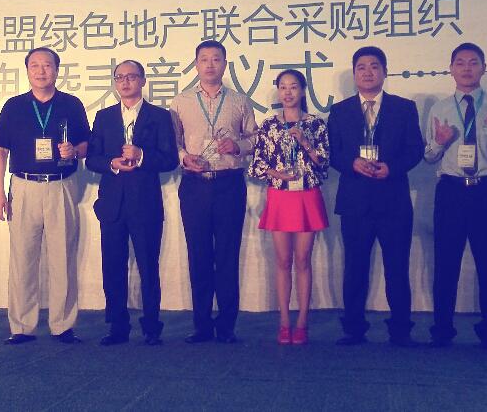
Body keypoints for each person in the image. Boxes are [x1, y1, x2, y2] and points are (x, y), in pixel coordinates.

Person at [423, 43, 487, 350]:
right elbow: (428, 156)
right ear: (451, 69)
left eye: (473, 62)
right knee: (446, 263)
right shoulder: (439, 108)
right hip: (451, 191)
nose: (466, 68)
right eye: (460, 63)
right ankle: (442, 329)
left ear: (483, 68)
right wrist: (440, 143)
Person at [0, 47, 90, 345]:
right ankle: (22, 326)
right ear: (27, 71)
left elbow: (87, 145)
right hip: (24, 186)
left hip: (62, 184)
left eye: (47, 65)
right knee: (22, 258)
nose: (41, 71)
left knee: (63, 256)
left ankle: (63, 325)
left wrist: (74, 151)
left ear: (57, 70)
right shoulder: (14, 106)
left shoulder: (71, 104)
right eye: (35, 65)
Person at [328, 46, 424, 347]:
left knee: (397, 267)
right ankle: (354, 328)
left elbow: (415, 150)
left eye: (374, 66)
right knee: (354, 267)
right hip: (355, 201)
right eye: (361, 67)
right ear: (354, 73)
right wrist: (351, 163)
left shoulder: (404, 108)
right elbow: (332, 152)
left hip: (393, 200)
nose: (367, 72)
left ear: (384, 71)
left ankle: (400, 329)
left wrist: (391, 168)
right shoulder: (340, 111)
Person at [169, 40, 258, 343]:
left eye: (216, 59)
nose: (210, 65)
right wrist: (184, 158)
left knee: (228, 255)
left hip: (229, 184)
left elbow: (255, 139)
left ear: (224, 64)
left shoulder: (240, 101)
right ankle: (202, 325)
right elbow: (173, 142)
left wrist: (238, 145)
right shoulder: (180, 102)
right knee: (198, 255)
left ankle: (227, 326)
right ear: (196, 65)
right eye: (204, 59)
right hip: (195, 185)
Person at [87, 60, 179, 346]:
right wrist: (111, 163)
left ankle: (152, 327)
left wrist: (141, 156)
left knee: (148, 266)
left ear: (142, 81)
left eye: (131, 77)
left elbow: (170, 160)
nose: (125, 82)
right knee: (113, 267)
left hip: (145, 204)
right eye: (120, 77)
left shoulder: (159, 116)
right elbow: (92, 159)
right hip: (112, 204)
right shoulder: (104, 117)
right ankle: (117, 327)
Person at [249, 69, 330, 345]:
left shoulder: (316, 124)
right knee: (283, 261)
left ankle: (303, 321)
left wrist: (305, 142)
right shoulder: (269, 125)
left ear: (303, 91)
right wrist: (277, 174)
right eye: (283, 87)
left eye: (293, 86)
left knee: (303, 260)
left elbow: (325, 163)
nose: (287, 92)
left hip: (307, 195)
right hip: (280, 196)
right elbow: (257, 165)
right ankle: (284, 322)